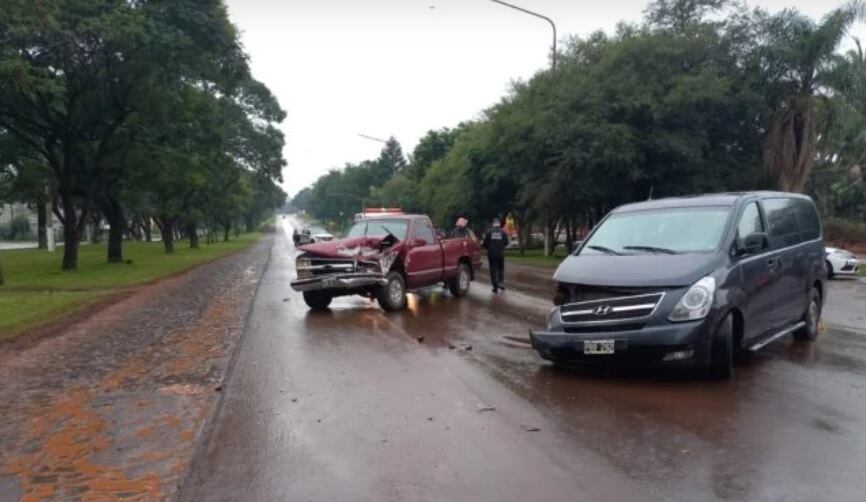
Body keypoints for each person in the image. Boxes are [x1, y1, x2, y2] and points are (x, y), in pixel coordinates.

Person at [482, 217, 508, 293]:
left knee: (493, 270)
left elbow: (485, 244)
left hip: (491, 254)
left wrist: (488, 247)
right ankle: (501, 282)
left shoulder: (489, 232)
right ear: (499, 224)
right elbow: (506, 243)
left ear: (493, 224)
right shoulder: (503, 232)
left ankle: (495, 287)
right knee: (501, 269)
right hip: (500, 254)